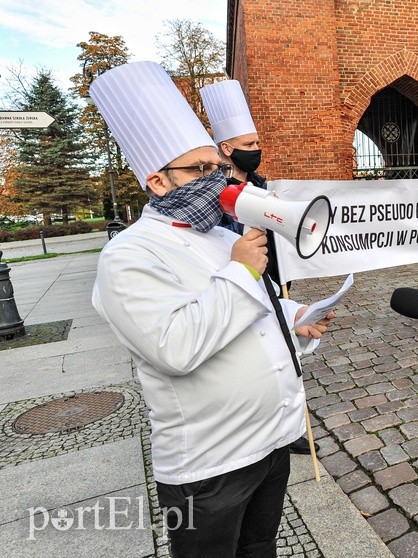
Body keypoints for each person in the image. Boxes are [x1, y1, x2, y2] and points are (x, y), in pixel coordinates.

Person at [89, 61, 333, 557]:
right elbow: (175, 347)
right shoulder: (128, 256)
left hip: (271, 441)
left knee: (259, 548)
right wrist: (243, 270)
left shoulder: (222, 236)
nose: (215, 179)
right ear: (156, 181)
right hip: (210, 464)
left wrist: (294, 318)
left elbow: (251, 310)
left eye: (217, 169)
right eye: (199, 170)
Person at [201, 80, 317, 456]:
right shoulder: (211, 192)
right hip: (238, 280)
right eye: (249, 145)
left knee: (287, 350)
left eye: (257, 143)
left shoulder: (262, 184)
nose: (257, 150)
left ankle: (292, 425)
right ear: (226, 149)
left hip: (273, 277)